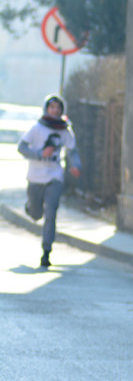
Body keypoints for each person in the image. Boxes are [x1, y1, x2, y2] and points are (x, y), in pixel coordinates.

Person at [17, 94, 81, 269]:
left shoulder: (65, 130)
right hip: (36, 177)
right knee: (37, 214)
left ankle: (46, 251)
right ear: (46, 109)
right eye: (52, 107)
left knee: (51, 211)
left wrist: (75, 166)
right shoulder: (37, 128)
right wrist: (39, 154)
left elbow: (72, 151)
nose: (55, 111)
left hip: (55, 176)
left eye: (58, 108)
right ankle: (30, 208)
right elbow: (21, 147)